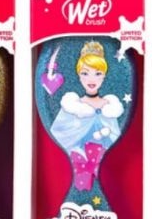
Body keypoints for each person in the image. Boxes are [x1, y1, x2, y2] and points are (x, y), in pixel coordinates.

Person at [50, 41, 123, 191]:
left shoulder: (109, 106)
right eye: (85, 73)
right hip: (76, 161)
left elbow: (114, 134)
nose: (91, 79)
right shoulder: (73, 106)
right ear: (78, 75)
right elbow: (62, 132)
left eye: (97, 73)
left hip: (105, 166)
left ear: (104, 76)